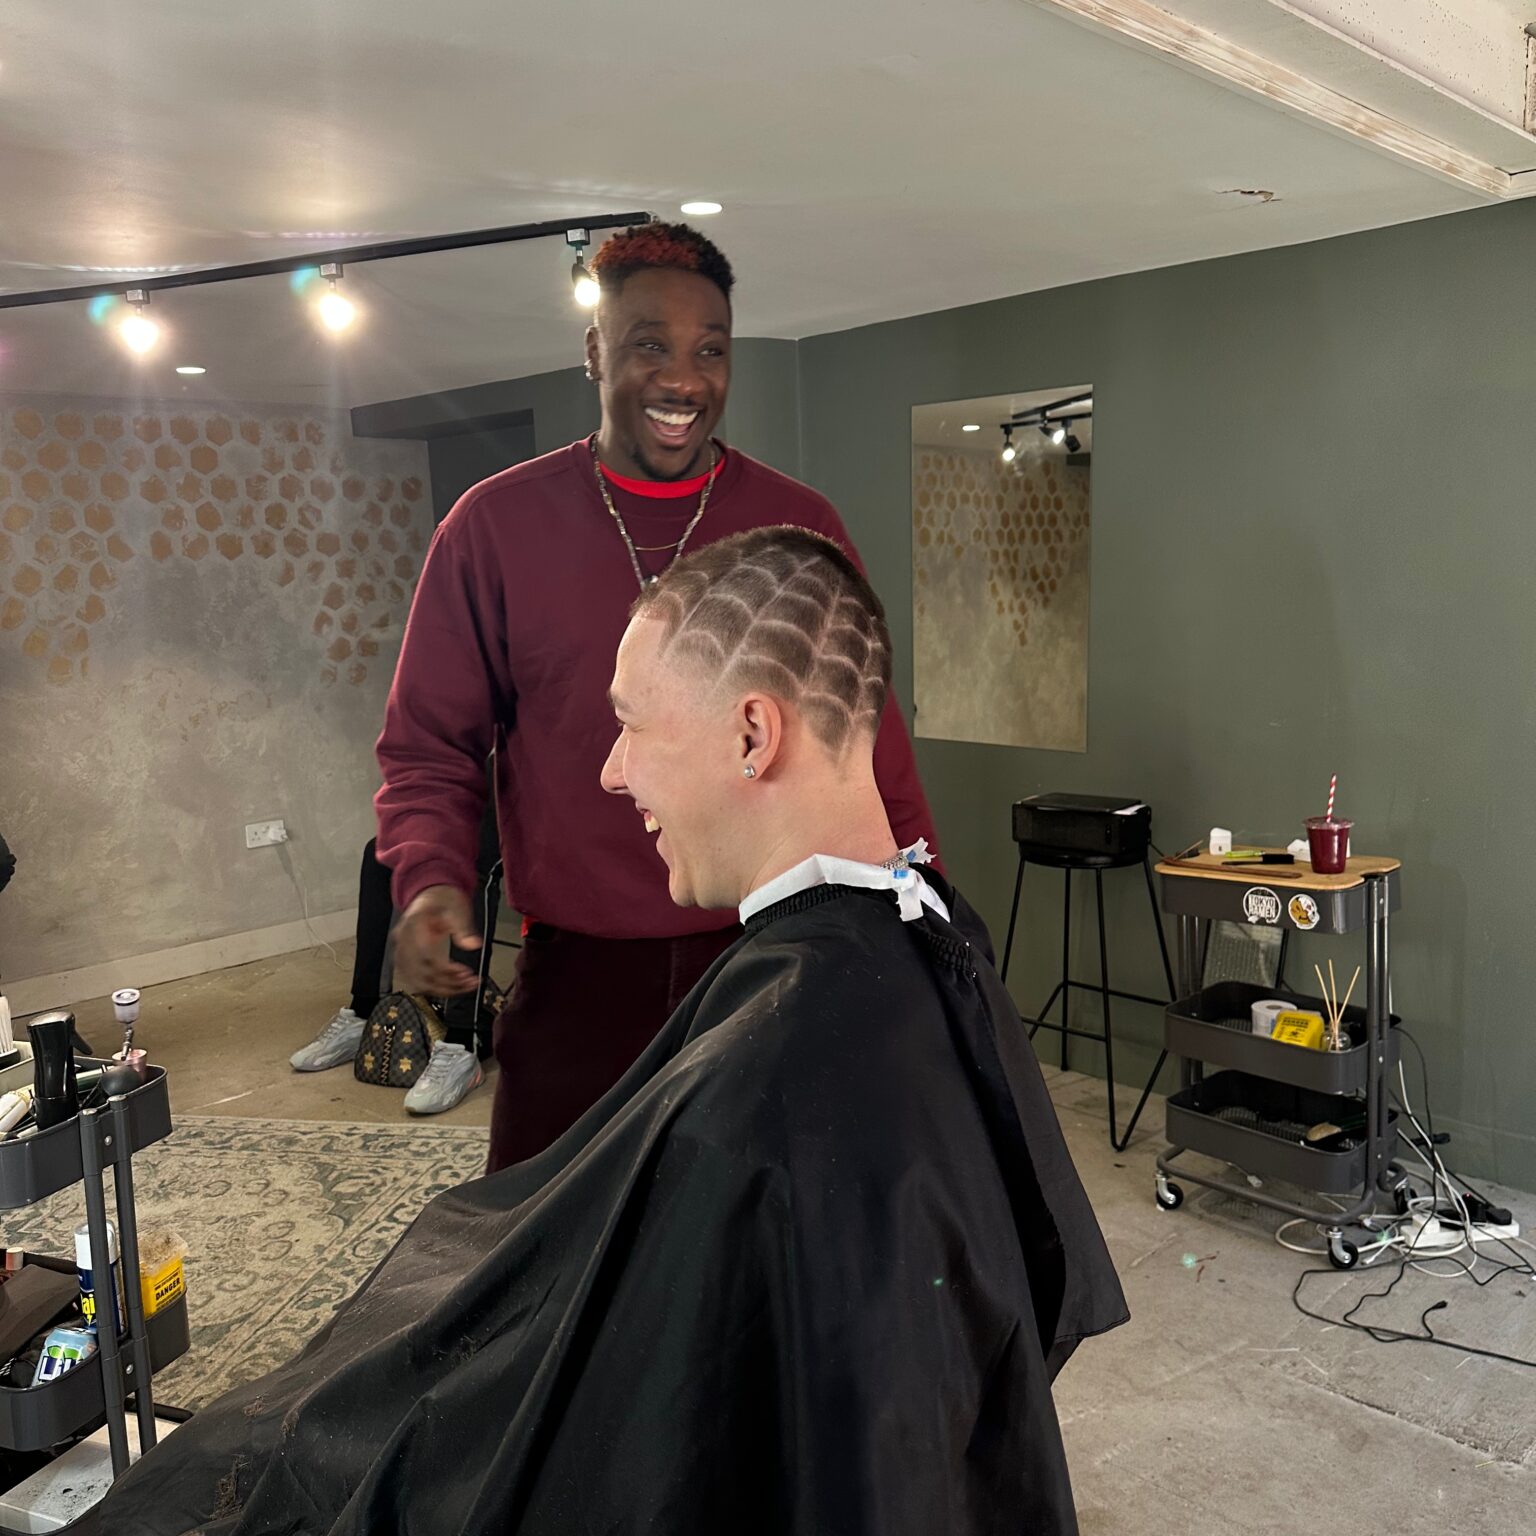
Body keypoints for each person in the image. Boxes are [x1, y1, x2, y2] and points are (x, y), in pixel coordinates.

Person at [75, 527, 1125, 1536]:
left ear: (752, 736)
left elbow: (637, 1455)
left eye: (632, 724)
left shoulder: (764, 1101)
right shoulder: (928, 925)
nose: (613, 771)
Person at [373, 221, 938, 1170]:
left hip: (774, 955)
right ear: (595, 351)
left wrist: (923, 900)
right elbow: (430, 743)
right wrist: (430, 878)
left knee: (762, 1231)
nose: (683, 379)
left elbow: (865, 740)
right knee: (546, 1230)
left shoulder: (798, 526)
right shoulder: (495, 527)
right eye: (650, 346)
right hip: (582, 971)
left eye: (710, 351)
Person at [288, 802, 502, 1116]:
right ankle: (365, 1010)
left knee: (471, 858)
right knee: (381, 853)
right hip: (468, 806)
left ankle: (462, 1041)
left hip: (535, 812)